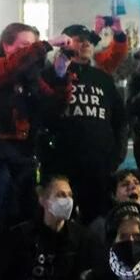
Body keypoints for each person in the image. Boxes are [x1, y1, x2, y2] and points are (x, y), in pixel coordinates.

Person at [0, 23, 71, 240]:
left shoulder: (32, 78)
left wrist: (61, 75)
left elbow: (53, 107)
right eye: (25, 45)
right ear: (6, 45)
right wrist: (47, 44)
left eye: (33, 46)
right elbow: (13, 66)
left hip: (24, 157)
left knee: (24, 217)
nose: (31, 52)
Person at [39, 24, 127, 224]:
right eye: (79, 39)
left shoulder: (103, 78)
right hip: (62, 166)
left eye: (88, 40)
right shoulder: (51, 75)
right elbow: (43, 115)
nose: (86, 43)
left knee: (97, 222)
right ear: (65, 44)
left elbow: (120, 120)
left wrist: (117, 156)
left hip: (99, 167)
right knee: (59, 220)